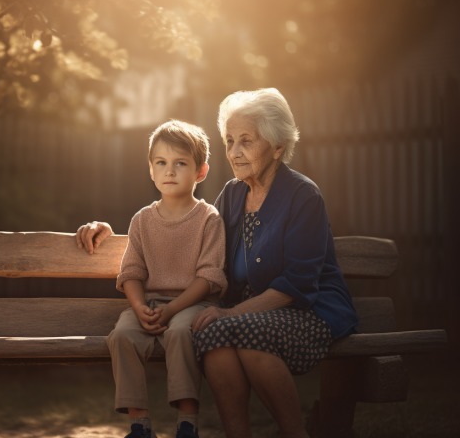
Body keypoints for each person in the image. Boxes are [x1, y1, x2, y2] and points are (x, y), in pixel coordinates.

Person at [76, 88, 358, 438]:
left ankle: (294, 433)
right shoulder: (233, 194)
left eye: (246, 141)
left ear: (278, 146)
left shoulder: (303, 196)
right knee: (215, 332)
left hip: (307, 310)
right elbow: (183, 218)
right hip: (246, 313)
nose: (235, 152)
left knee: (242, 332)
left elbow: (298, 285)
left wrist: (231, 313)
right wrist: (105, 228)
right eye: (229, 140)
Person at [77, 120, 228, 438]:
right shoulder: (143, 220)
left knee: (179, 333)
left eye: (180, 163)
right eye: (161, 163)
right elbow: (131, 273)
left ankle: (187, 423)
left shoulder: (208, 218)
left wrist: (173, 310)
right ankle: (139, 425)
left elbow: (208, 277)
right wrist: (139, 306)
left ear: (201, 172)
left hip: (193, 303)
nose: (169, 171)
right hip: (150, 304)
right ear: (150, 170)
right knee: (122, 335)